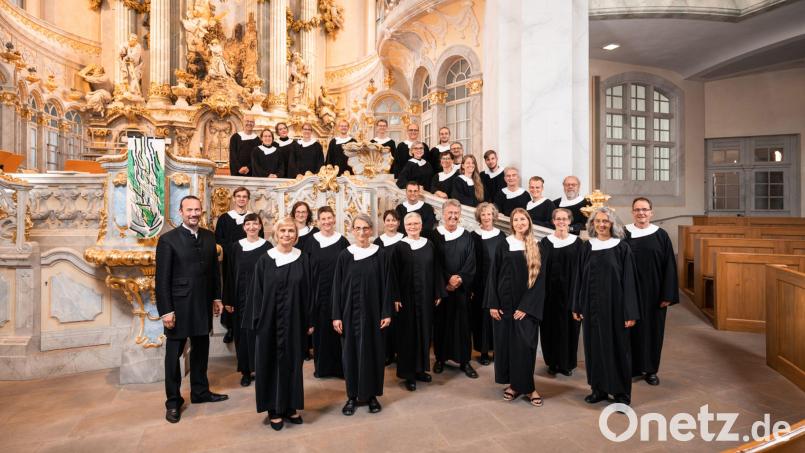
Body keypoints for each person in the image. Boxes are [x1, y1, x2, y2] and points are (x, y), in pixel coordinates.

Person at [156, 196, 228, 424]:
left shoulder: (209, 236)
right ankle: (173, 401)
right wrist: (166, 310)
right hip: (178, 308)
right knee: (173, 357)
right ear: (181, 212)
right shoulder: (168, 240)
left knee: (201, 350)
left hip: (202, 305)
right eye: (189, 210)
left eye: (197, 209)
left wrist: (217, 297)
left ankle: (200, 391)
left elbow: (214, 272)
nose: (194, 214)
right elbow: (162, 280)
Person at [248, 217, 313, 431]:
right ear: (276, 234)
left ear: (296, 235)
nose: (287, 234)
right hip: (269, 322)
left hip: (295, 320)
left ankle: (291, 405)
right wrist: (257, 321)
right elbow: (256, 293)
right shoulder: (265, 260)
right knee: (271, 362)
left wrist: (310, 320)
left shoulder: (303, 258)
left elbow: (308, 292)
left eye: (291, 231)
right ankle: (274, 409)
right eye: (283, 231)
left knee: (293, 362)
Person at [572, 207, 640, 406]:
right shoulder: (586, 247)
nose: (602, 225)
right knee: (594, 349)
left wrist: (630, 312)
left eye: (606, 221)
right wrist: (577, 305)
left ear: (612, 224)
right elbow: (579, 278)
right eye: (598, 221)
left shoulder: (621, 248)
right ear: (592, 224)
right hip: (591, 307)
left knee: (618, 350)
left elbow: (629, 282)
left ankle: (621, 394)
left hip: (615, 309)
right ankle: (598, 389)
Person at [332, 214, 394, 415]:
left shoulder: (380, 254)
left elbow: (387, 286)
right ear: (351, 230)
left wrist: (386, 312)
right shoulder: (345, 255)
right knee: (350, 354)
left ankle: (372, 395)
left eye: (365, 228)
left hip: (374, 313)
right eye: (357, 228)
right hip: (349, 313)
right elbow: (337, 288)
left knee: (374, 353)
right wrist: (336, 315)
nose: (361, 232)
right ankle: (352, 396)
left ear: (371, 230)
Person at [486, 208, 547, 407]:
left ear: (528, 222)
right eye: (516, 220)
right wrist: (493, 303)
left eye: (523, 219)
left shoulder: (536, 246)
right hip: (504, 306)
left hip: (525, 308)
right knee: (506, 347)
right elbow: (493, 274)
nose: (520, 223)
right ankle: (513, 385)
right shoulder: (504, 244)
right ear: (511, 224)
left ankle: (529, 388)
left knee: (525, 347)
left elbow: (539, 281)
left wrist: (527, 307)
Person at [625, 197, 679, 387]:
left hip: (654, 293)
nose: (641, 213)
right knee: (630, 330)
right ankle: (630, 368)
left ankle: (650, 370)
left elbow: (669, 266)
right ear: (632, 212)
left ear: (651, 212)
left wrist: (667, 295)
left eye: (645, 209)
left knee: (652, 332)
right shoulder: (624, 233)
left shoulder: (660, 235)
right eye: (637, 210)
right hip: (629, 292)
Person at [392, 212, 444, 391]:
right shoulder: (399, 247)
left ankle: (421, 369)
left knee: (424, 332)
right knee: (408, 335)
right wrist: (396, 297)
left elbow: (436, 269)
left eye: (416, 224)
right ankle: (409, 374)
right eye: (409, 224)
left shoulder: (429, 245)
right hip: (406, 299)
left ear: (421, 225)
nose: (413, 227)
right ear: (404, 227)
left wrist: (437, 292)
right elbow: (393, 275)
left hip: (426, 296)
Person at [224, 213, 271, 387]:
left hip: (262, 299)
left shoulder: (267, 246)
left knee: (260, 335)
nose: (251, 227)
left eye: (255, 224)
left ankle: (262, 369)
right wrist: (228, 299)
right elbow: (229, 274)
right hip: (240, 299)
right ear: (244, 227)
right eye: (248, 224)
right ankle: (245, 371)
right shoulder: (236, 247)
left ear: (260, 226)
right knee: (242, 336)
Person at [433, 199, 478, 378]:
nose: (452, 216)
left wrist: (459, 278)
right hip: (442, 289)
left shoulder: (466, 236)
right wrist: (446, 280)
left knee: (463, 325)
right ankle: (440, 359)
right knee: (441, 324)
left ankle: (464, 361)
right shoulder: (434, 235)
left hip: (460, 290)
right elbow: (433, 262)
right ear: (443, 214)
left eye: (456, 213)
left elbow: (471, 261)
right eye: (449, 213)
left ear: (460, 215)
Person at [304, 206, 351, 378]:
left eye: (329, 218)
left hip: (338, 293)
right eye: (323, 219)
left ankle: (340, 369)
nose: (327, 222)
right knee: (321, 332)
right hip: (318, 294)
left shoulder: (342, 241)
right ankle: (322, 368)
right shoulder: (311, 241)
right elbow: (306, 269)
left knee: (339, 331)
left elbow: (348, 268)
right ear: (318, 221)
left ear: (334, 219)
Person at [215, 188, 263, 344]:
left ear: (248, 199)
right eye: (238, 196)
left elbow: (259, 239)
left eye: (244, 197)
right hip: (231, 261)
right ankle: (230, 327)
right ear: (233, 198)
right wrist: (235, 251)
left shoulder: (253, 219)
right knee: (231, 290)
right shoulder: (224, 218)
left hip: (250, 261)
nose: (241, 199)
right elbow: (219, 240)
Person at [539, 208, 583, 377]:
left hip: (570, 294)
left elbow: (581, 271)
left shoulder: (578, 243)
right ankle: (552, 362)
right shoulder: (545, 242)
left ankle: (567, 364)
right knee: (549, 329)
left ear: (570, 221)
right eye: (558, 219)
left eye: (565, 219)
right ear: (553, 221)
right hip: (549, 295)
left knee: (569, 329)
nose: (561, 222)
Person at [471, 202, 505, 366]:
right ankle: (483, 351)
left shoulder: (501, 236)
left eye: (489, 214)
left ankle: (498, 350)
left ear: (494, 216)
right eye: (483, 214)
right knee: (481, 318)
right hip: (479, 283)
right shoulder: (473, 236)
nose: (486, 217)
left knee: (498, 316)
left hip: (497, 282)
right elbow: (471, 263)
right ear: (479, 217)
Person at [374, 210, 404, 366]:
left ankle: (399, 352)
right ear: (384, 222)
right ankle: (387, 353)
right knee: (386, 321)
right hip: (385, 287)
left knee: (400, 324)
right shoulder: (378, 242)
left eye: (394, 220)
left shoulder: (404, 240)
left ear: (399, 223)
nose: (391, 223)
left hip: (401, 287)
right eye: (388, 220)